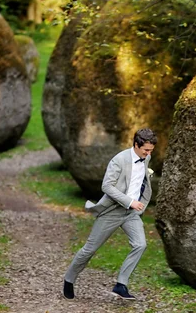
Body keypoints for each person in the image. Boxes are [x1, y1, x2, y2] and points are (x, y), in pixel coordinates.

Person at [63, 128, 156, 300]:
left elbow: (141, 181)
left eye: (150, 150)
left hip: (131, 214)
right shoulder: (119, 160)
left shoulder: (146, 158)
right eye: (146, 150)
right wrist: (129, 201)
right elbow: (106, 186)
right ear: (136, 145)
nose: (148, 153)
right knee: (89, 249)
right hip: (112, 211)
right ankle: (69, 279)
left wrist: (139, 204)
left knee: (140, 244)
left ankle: (121, 284)